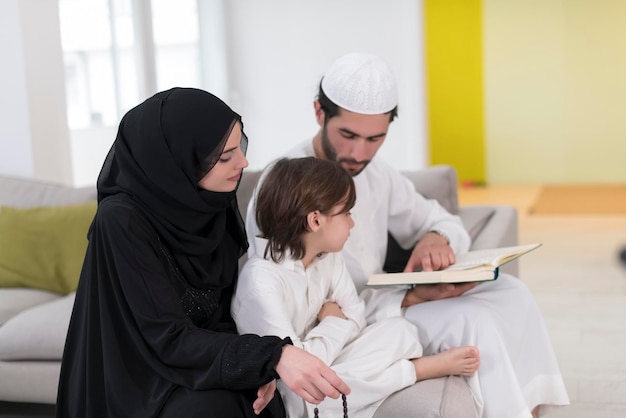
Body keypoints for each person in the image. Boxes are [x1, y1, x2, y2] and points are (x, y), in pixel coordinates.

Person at [246, 53, 570, 418]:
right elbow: (304, 309)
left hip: (375, 306)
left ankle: (529, 409)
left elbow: (443, 221)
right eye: (348, 135)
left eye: (375, 138)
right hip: (349, 328)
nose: (358, 153)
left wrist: (435, 238)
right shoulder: (284, 185)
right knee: (475, 321)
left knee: (512, 292)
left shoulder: (378, 173)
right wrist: (410, 300)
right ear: (320, 113)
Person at [55, 87, 350, 418]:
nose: (243, 162)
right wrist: (271, 356)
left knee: (262, 400)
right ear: (177, 161)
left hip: (195, 360)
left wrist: (255, 368)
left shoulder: (212, 204)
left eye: (241, 147)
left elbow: (219, 315)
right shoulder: (121, 220)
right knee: (214, 408)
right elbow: (165, 336)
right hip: (140, 373)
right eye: (225, 157)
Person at [232, 157, 479, 418]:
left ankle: (379, 374)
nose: (352, 223)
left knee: (400, 330)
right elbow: (298, 369)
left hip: (328, 357)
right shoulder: (261, 282)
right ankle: (415, 370)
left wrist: (333, 328)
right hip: (292, 392)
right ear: (315, 221)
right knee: (318, 388)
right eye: (346, 214)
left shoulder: (328, 257)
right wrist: (332, 321)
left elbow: (356, 316)